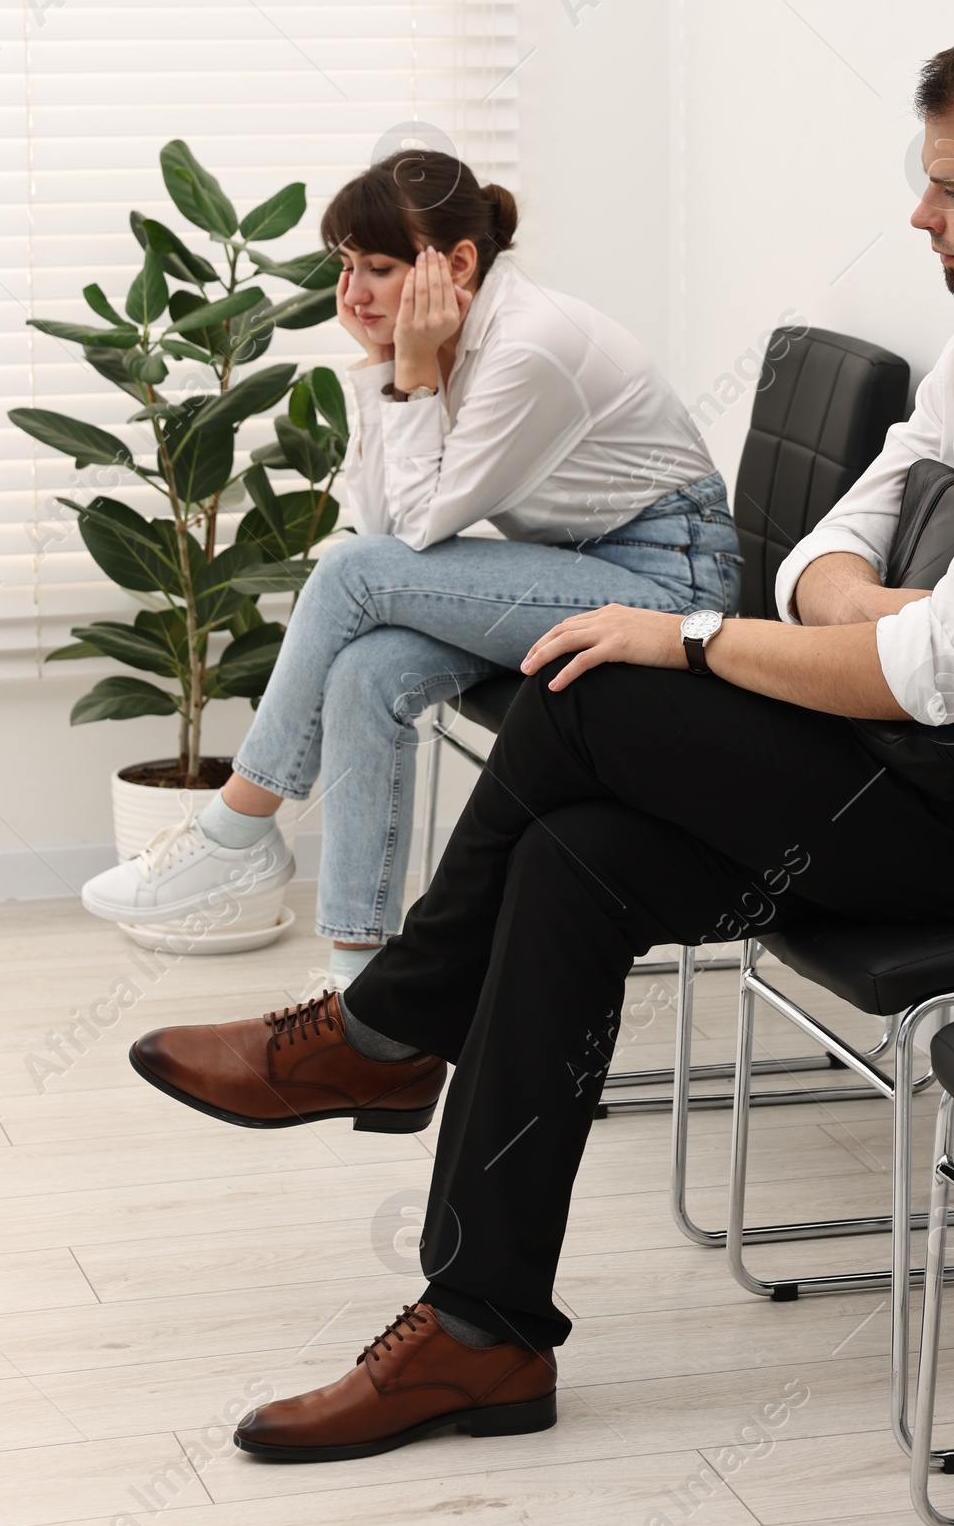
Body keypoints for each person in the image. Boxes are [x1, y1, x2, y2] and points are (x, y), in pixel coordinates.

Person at [128, 8, 954, 1460]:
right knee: (575, 864)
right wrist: (867, 604)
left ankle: (391, 1025)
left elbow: (937, 671)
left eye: (951, 184)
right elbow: (822, 550)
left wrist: (698, 633)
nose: (917, 209)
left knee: (594, 678)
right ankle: (480, 1330)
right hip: (942, 771)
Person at [82, 149, 740, 984]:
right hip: (576, 566)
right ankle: (356, 990)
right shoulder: (447, 337)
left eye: (379, 267)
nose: (352, 293)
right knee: (365, 667)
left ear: (458, 262)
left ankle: (235, 831)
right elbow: (386, 524)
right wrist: (390, 366)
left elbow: (408, 537)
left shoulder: (527, 347)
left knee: (354, 574)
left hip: (670, 584)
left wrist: (413, 370)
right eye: (346, 266)